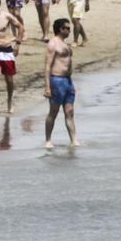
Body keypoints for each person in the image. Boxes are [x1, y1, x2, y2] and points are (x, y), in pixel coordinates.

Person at [44, 18, 78, 149]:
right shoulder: (53, 44)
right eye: (67, 28)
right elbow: (47, 66)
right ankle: (48, 140)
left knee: (69, 111)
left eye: (69, 28)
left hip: (68, 81)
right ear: (60, 29)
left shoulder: (65, 45)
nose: (69, 30)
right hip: (56, 80)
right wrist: (47, 87)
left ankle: (74, 140)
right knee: (53, 112)